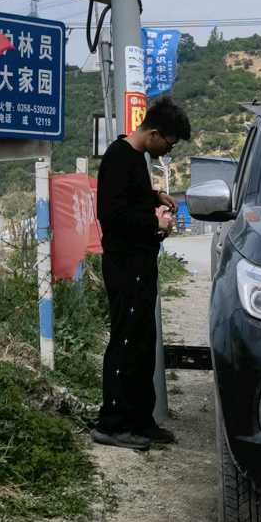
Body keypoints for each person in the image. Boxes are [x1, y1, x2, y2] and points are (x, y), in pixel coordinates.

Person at [93, 93, 191, 452]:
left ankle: (140, 420)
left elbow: (130, 197)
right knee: (125, 342)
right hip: (125, 265)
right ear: (153, 133)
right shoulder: (118, 157)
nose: (168, 151)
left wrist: (154, 197)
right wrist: (155, 223)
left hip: (141, 264)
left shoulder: (135, 158)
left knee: (143, 343)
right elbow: (111, 214)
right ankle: (113, 422)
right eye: (169, 144)